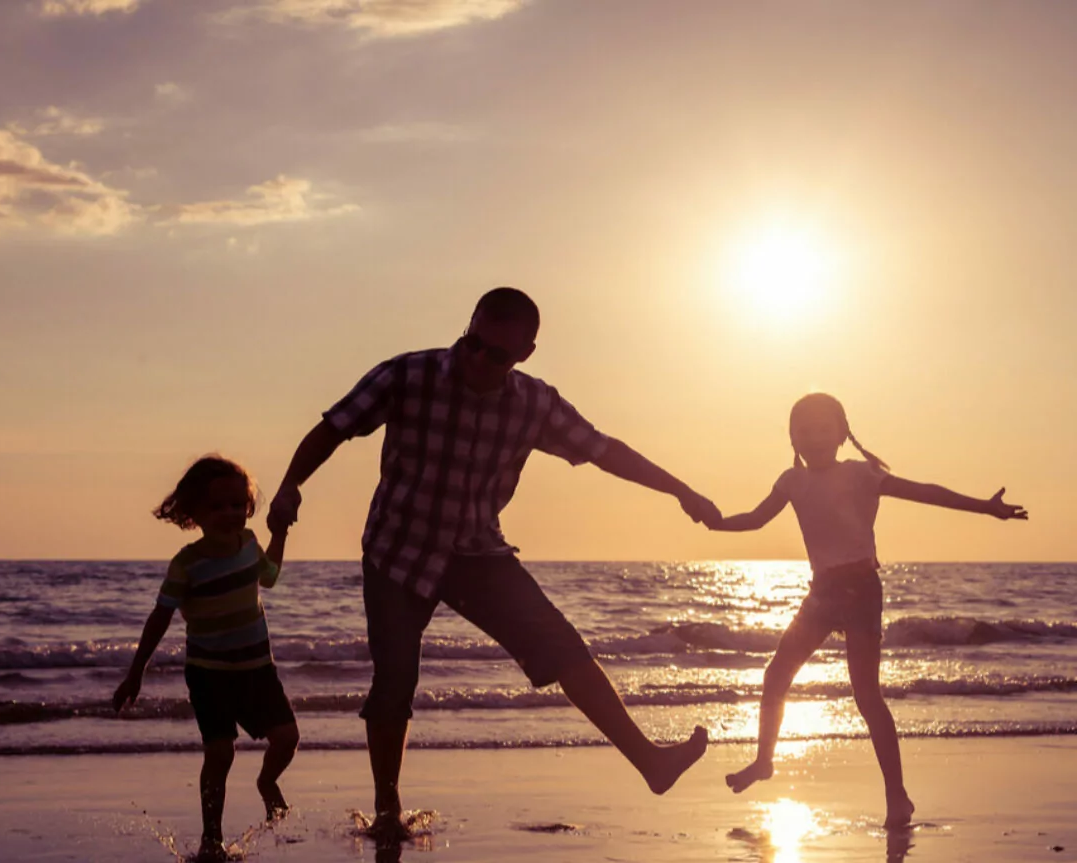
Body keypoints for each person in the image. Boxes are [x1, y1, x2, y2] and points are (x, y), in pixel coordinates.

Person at [267, 287, 720, 838]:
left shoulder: (534, 402)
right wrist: (291, 484)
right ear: (469, 328)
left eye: (497, 354)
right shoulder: (407, 375)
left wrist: (681, 491)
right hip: (397, 550)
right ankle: (387, 809)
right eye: (473, 343)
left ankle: (650, 761)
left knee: (561, 645)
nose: (479, 360)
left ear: (524, 354)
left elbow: (604, 451)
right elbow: (334, 427)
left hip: (478, 550)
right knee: (395, 681)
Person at [704, 392, 1027, 828]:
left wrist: (985, 508)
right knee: (775, 675)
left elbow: (925, 492)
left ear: (841, 434)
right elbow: (757, 519)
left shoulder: (861, 475)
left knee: (867, 697)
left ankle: (897, 797)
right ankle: (764, 761)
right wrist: (716, 521)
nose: (814, 437)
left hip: (860, 591)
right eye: (804, 431)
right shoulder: (791, 481)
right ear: (792, 439)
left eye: (823, 429)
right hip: (820, 594)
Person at [113, 456, 300, 863]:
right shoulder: (187, 564)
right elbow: (160, 616)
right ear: (192, 512)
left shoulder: (249, 543)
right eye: (217, 507)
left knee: (287, 739)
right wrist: (136, 672)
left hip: (257, 669)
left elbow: (269, 576)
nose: (230, 514)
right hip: (209, 675)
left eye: (238, 504)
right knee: (220, 753)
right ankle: (211, 839)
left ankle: (267, 783)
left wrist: (279, 532)